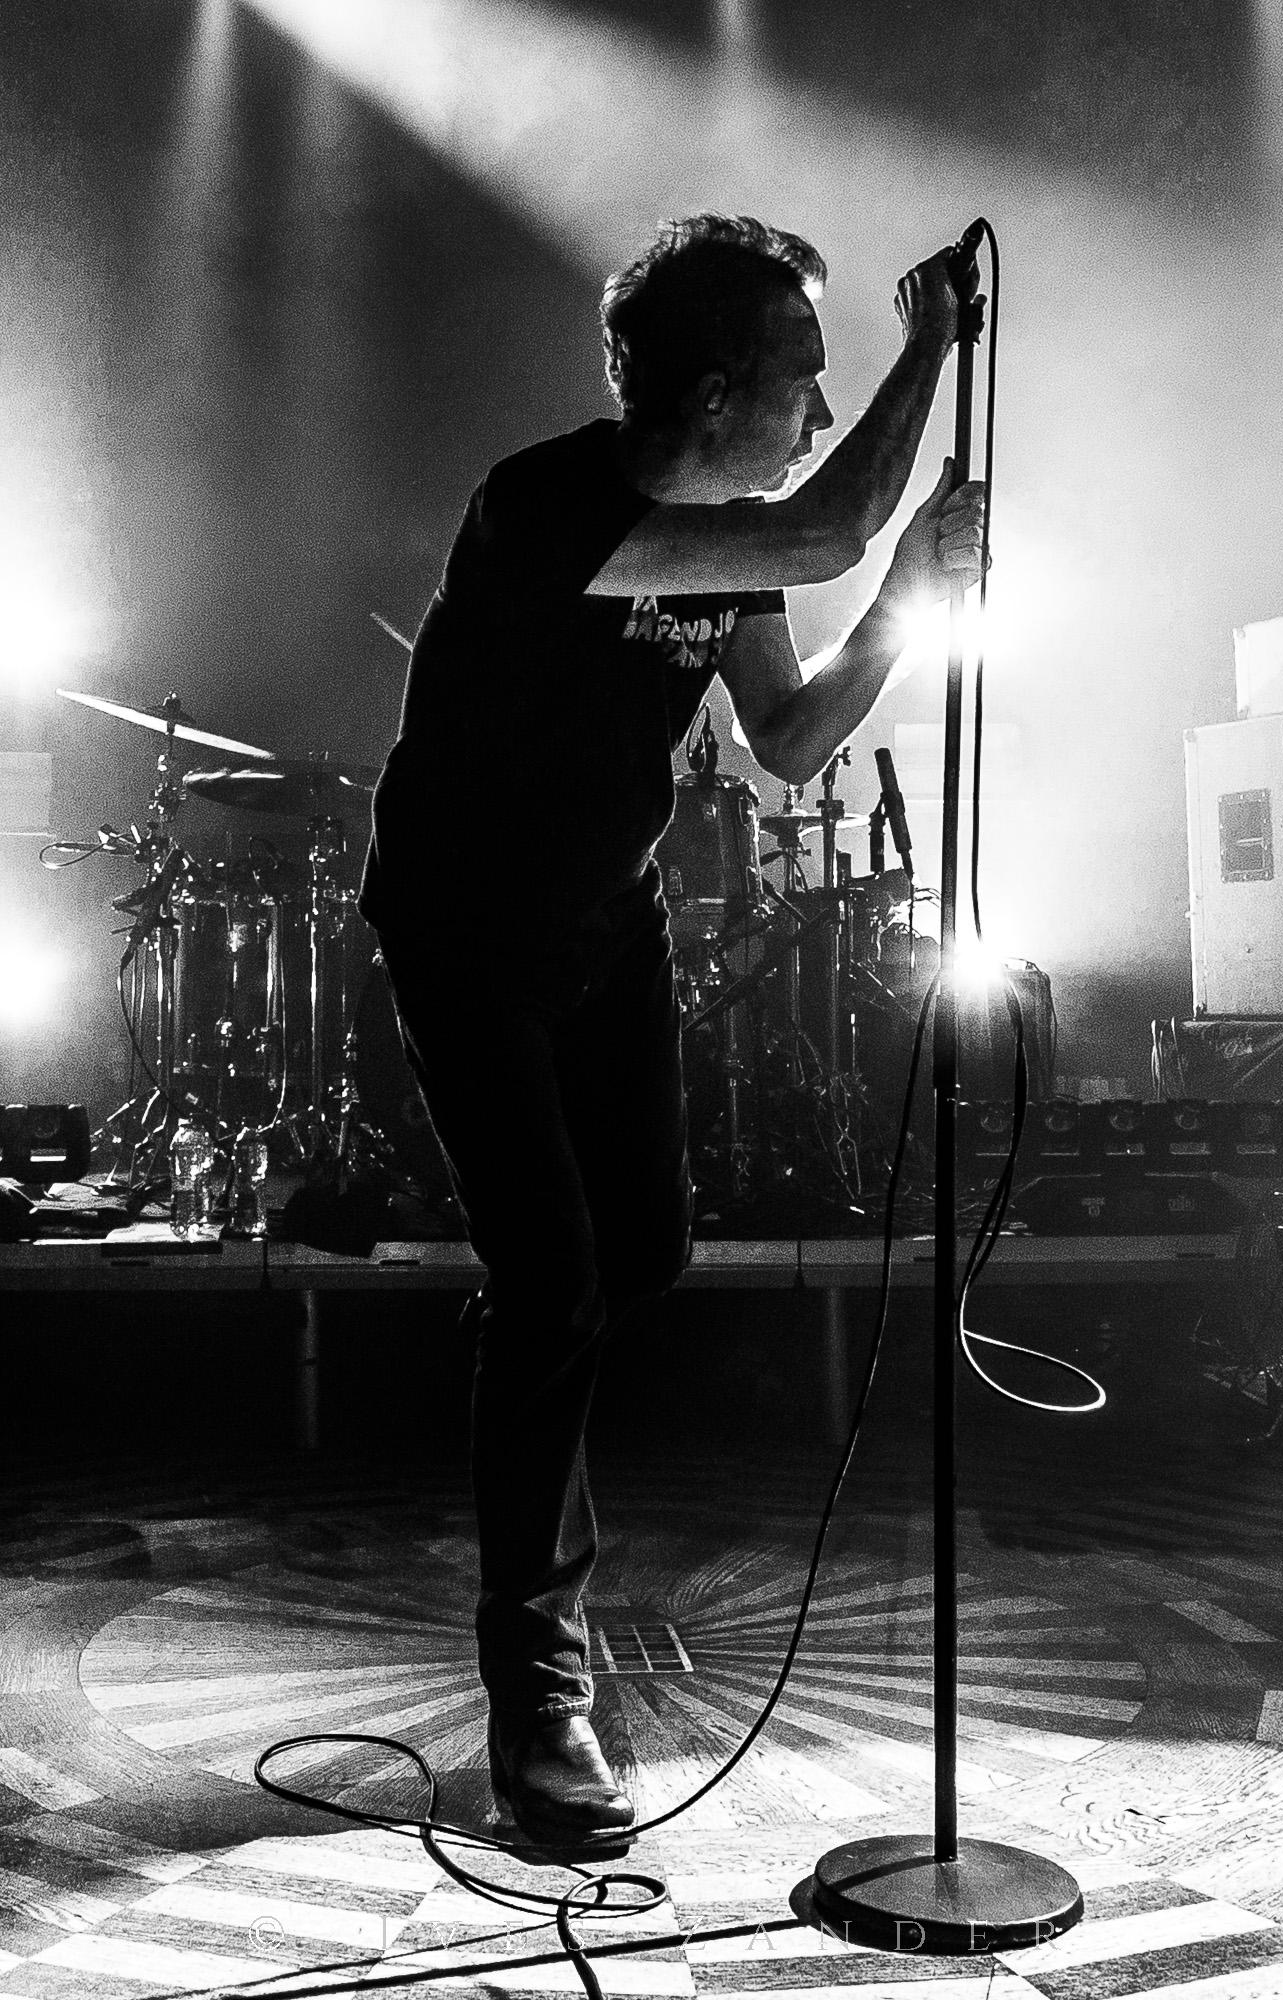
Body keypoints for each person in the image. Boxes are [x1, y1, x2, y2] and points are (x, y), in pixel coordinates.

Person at [358, 214, 985, 1853]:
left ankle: (522, 1354)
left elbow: (787, 735)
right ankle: (535, 1696)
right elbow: (838, 522)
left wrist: (914, 596)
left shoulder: (721, 539)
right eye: (807, 372)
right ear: (717, 392)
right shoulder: (554, 505)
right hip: (467, 936)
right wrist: (932, 354)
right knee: (560, 1283)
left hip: (601, 930)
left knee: (638, 1259)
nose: (824, 398)